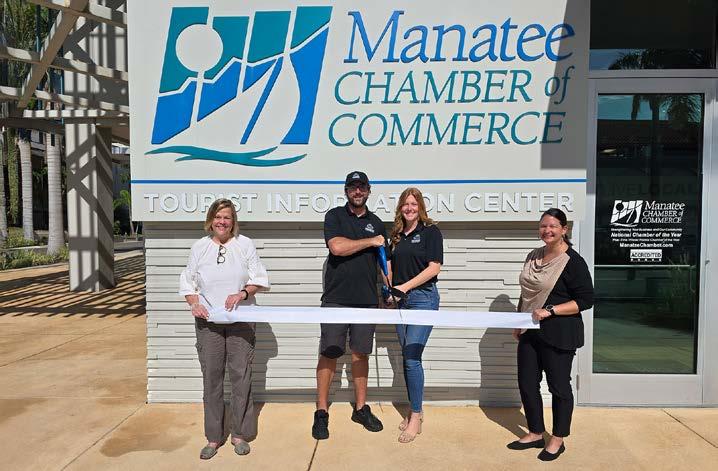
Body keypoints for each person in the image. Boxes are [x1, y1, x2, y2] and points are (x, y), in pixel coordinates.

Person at [179, 198, 270, 459]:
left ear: (233, 221)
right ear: (211, 220)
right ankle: (213, 437)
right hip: (208, 324)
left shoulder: (245, 244)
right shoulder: (199, 247)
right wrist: (194, 303)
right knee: (212, 378)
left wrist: (242, 294)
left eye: (227, 217)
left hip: (241, 320)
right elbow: (188, 282)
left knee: (241, 377)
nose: (222, 222)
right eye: (218, 217)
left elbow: (259, 278)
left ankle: (240, 434)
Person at [508, 208, 594, 461]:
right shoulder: (533, 256)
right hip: (530, 330)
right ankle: (536, 432)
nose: (547, 230)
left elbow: (586, 300)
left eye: (553, 226)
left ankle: (558, 438)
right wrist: (519, 320)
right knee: (527, 383)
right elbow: (526, 294)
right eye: (543, 226)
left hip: (559, 333)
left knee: (558, 387)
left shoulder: (573, 262)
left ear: (564, 230)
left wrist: (551, 310)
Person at [312, 171, 386, 440]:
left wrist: (389, 291)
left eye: (362, 187)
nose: (357, 191)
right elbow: (337, 248)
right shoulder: (334, 216)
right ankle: (321, 411)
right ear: (346, 191)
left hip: (367, 301)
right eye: (353, 187)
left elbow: (384, 262)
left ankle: (360, 408)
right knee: (329, 352)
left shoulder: (377, 222)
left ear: (368, 190)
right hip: (336, 299)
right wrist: (370, 241)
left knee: (360, 355)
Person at [387, 187, 443, 443]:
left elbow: (434, 268)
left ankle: (416, 416)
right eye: (405, 204)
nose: (409, 208)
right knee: (407, 356)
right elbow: (390, 268)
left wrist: (404, 288)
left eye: (414, 203)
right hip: (401, 302)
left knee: (411, 358)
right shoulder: (397, 236)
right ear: (400, 208)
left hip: (423, 298)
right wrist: (391, 291)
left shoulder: (431, 232)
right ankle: (413, 409)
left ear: (420, 207)